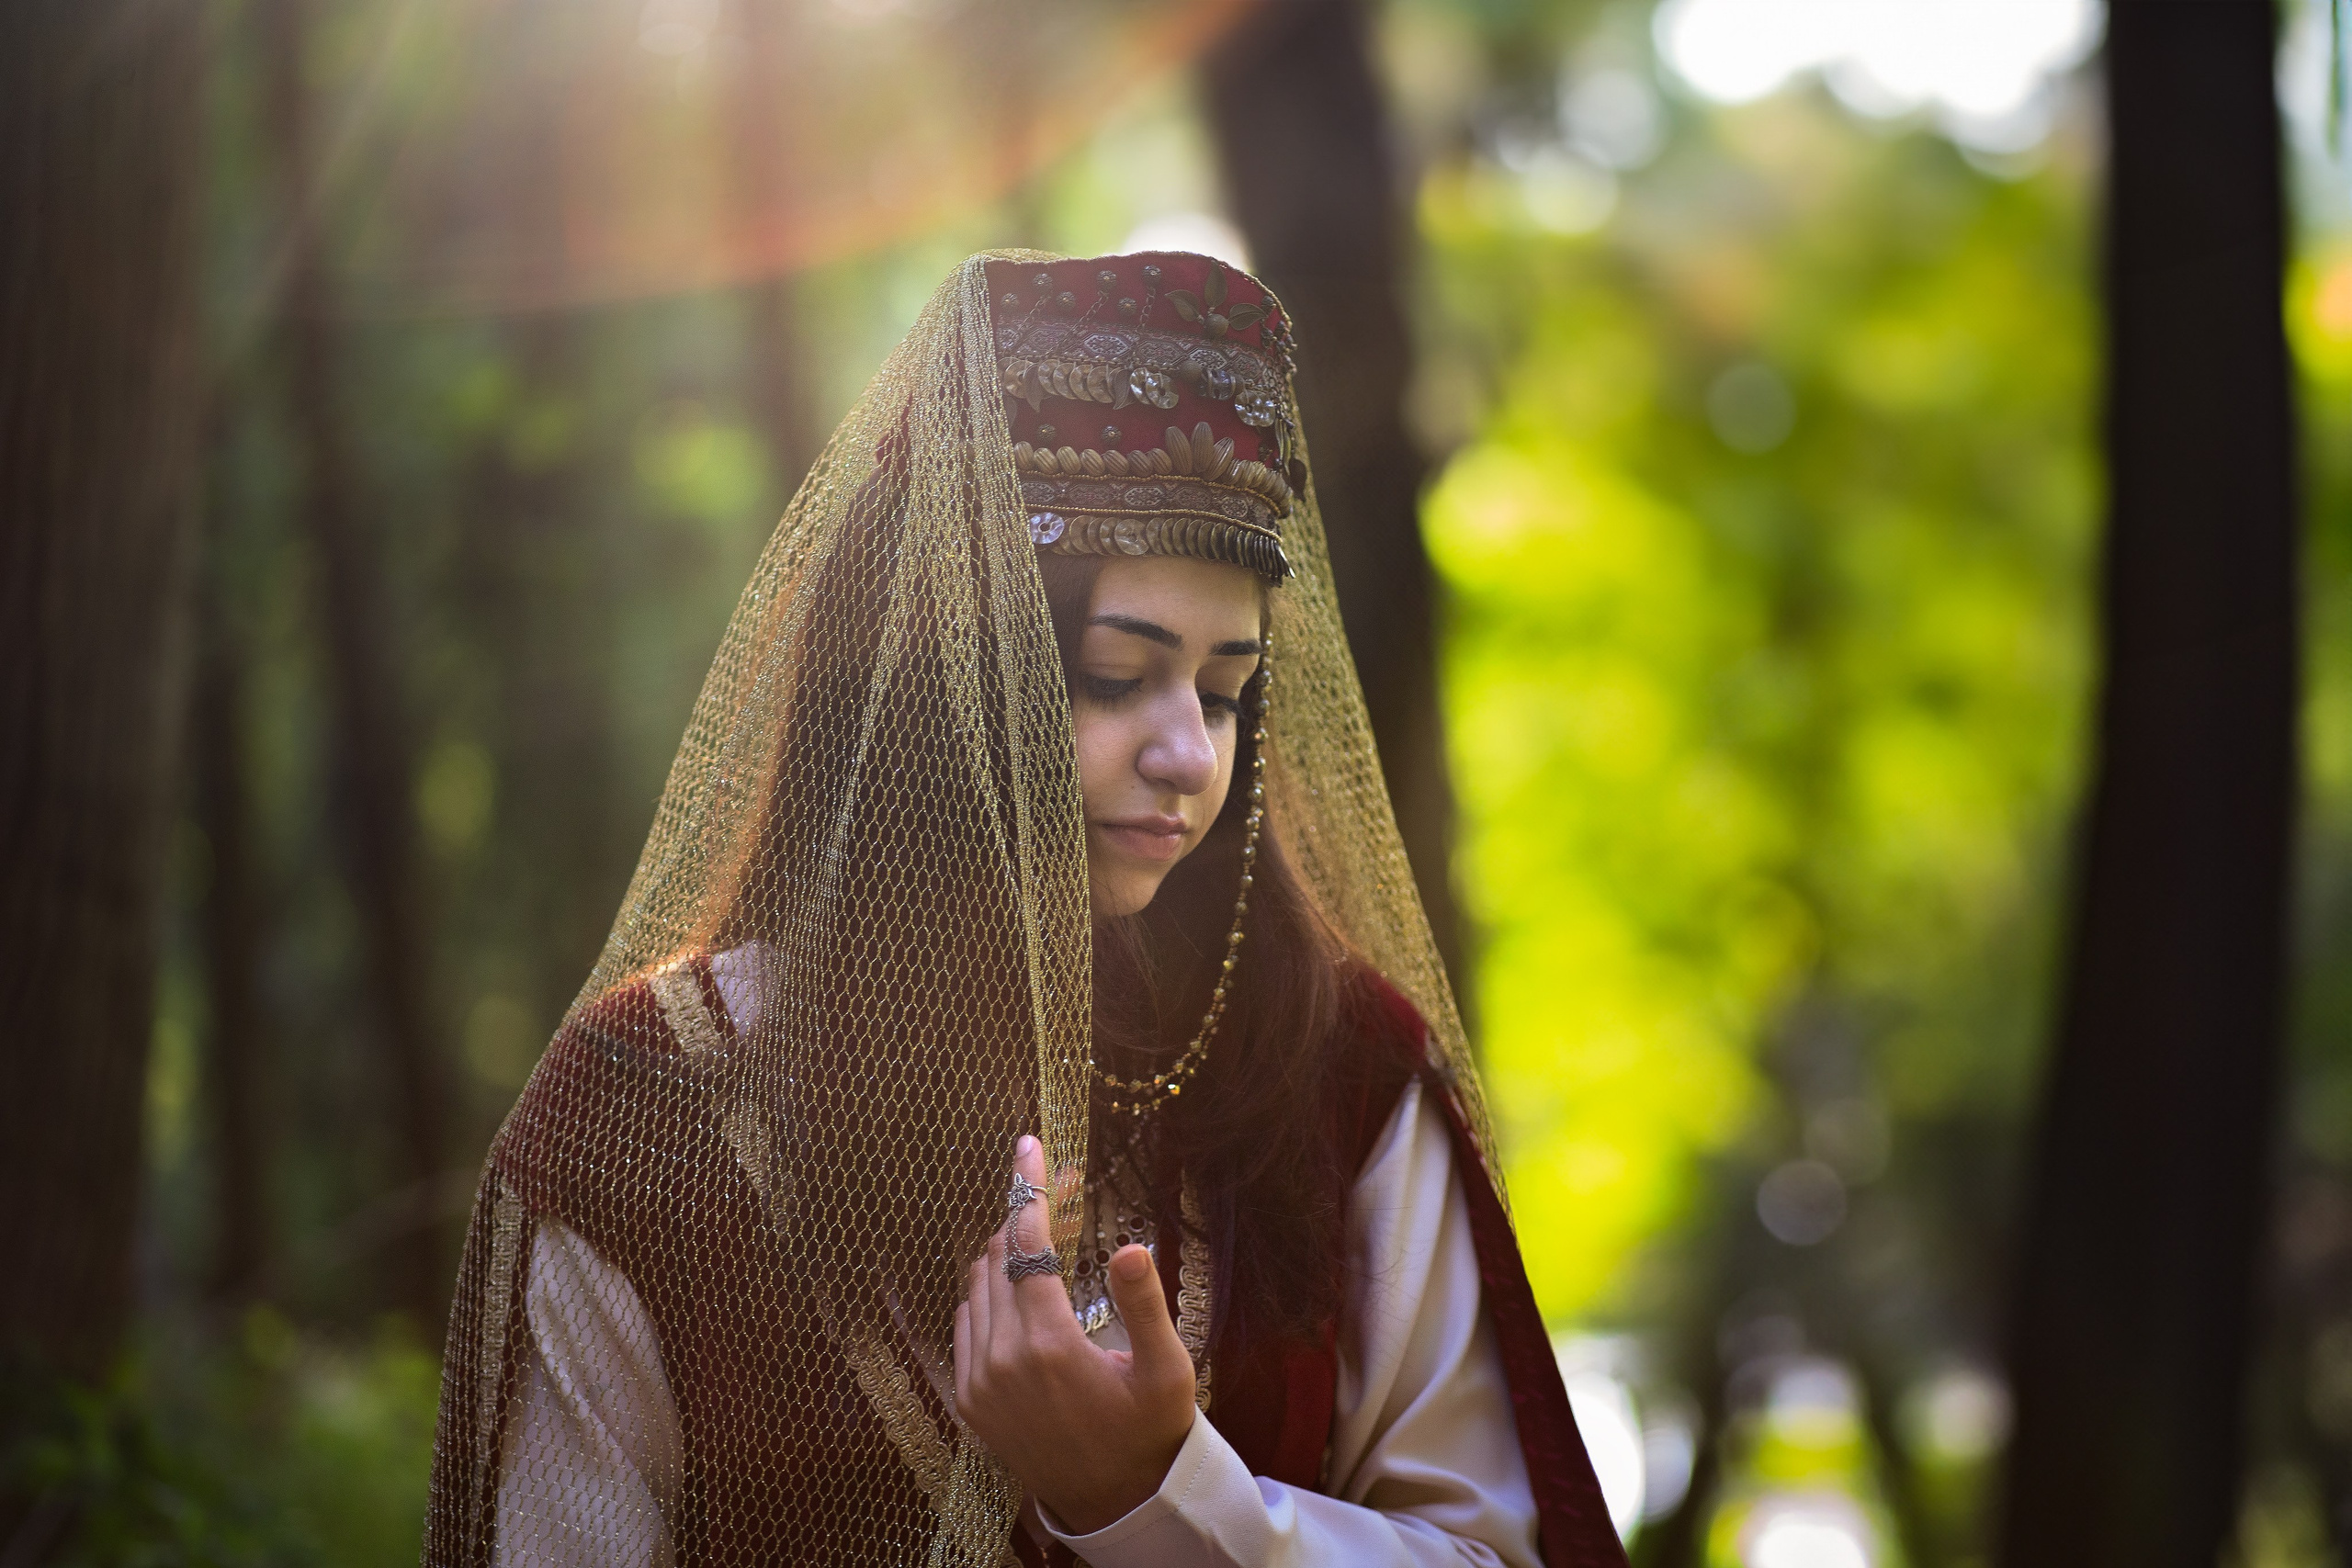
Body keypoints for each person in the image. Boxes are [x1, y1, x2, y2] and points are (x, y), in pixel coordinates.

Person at [424, 252, 1627, 1568]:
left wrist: (1164, 1499)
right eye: (1120, 675)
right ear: (941, 675)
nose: (1189, 754)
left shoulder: (1338, 1076)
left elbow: (1501, 1549)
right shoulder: (649, 1113)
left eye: (1226, 692)